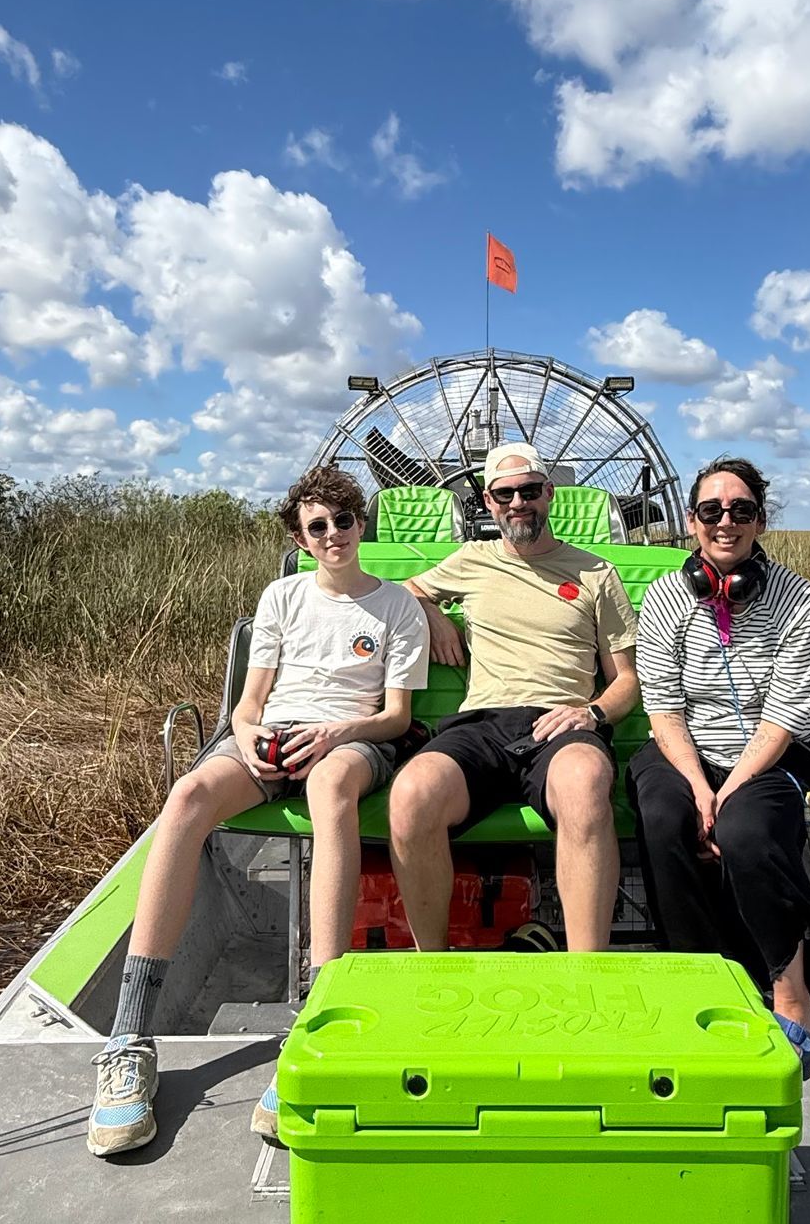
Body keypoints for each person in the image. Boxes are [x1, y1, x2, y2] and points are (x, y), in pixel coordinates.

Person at [87, 465, 428, 1157]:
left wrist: (335, 733)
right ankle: (129, 1035)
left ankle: (315, 1023)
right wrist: (246, 738)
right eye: (318, 527)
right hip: (269, 738)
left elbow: (395, 718)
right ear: (303, 540)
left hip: (352, 743)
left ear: (362, 524)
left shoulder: (397, 607)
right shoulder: (282, 597)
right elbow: (249, 703)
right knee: (187, 797)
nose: (334, 535)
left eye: (344, 521)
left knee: (332, 788)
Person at [389, 444, 640, 952]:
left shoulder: (596, 574)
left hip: (560, 725)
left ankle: (587, 970)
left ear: (549, 494)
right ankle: (433, 964)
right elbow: (405, 588)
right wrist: (435, 614)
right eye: (505, 494)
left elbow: (626, 680)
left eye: (529, 491)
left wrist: (591, 713)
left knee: (586, 781)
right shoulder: (471, 560)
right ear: (488, 500)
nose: (518, 502)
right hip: (481, 726)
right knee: (413, 793)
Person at [628, 457, 810, 1071]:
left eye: (740, 510)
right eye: (712, 511)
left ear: (759, 522)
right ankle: (700, 977)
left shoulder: (799, 601)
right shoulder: (667, 597)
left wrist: (728, 792)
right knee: (664, 817)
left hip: (767, 755)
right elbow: (663, 709)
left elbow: (783, 716)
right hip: (684, 750)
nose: (726, 521)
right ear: (691, 523)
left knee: (746, 830)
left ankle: (792, 992)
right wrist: (697, 787)